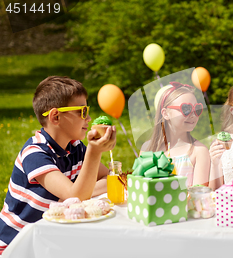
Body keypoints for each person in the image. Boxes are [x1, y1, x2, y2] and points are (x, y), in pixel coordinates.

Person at [0, 76, 117, 253]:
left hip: (47, 240)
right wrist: (94, 153)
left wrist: (78, 193)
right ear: (56, 116)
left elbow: (110, 179)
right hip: (16, 245)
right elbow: (76, 194)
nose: (89, 118)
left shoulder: (75, 147)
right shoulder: (34, 153)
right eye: (82, 112)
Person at [141, 82, 210, 187]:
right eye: (186, 109)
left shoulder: (199, 151)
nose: (193, 115)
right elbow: (140, 186)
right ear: (165, 113)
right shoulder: (148, 149)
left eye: (196, 109)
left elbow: (198, 197)